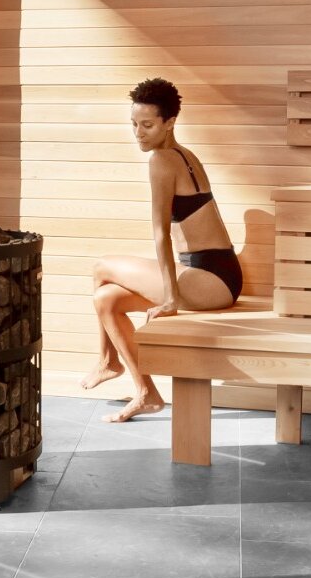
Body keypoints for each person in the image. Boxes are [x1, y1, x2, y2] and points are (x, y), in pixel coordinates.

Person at [81, 76, 244, 422]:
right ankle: (146, 393)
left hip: (208, 280)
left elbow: (161, 235)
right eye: (134, 124)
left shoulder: (162, 161)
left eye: (147, 125)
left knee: (101, 268)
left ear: (169, 123)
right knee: (106, 300)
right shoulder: (186, 155)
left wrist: (170, 299)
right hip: (222, 274)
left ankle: (108, 362)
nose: (138, 133)